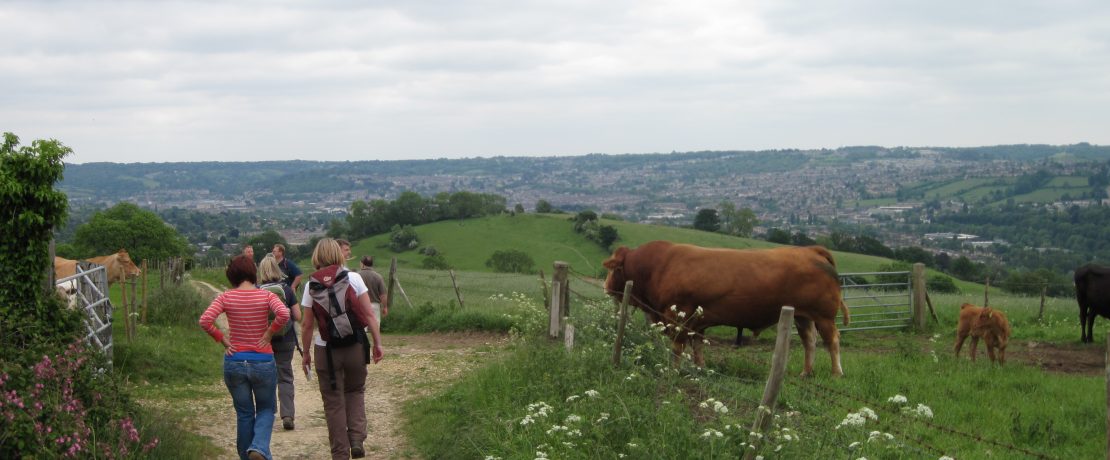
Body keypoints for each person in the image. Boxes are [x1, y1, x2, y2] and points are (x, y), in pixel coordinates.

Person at [199, 255, 290, 460]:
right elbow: (284, 314)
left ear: (232, 276)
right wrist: (268, 334)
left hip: (235, 361)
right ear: (252, 272)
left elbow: (205, 320)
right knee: (266, 409)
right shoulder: (266, 296)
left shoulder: (225, 297)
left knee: (244, 413)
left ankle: (246, 455)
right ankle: (258, 448)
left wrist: (223, 340)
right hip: (263, 361)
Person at [300, 238, 384, 459]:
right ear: (339, 254)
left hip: (326, 350)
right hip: (355, 344)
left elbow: (307, 324)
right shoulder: (354, 278)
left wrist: (305, 353)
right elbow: (367, 314)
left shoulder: (311, 285)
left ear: (317, 256)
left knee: (333, 402)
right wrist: (377, 343)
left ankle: (339, 453)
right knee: (355, 390)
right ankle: (356, 439)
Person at [258, 254, 302, 431]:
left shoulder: (256, 290)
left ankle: (267, 415)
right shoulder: (286, 289)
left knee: (266, 378)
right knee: (285, 377)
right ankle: (288, 415)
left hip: (264, 340)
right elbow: (298, 316)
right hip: (286, 338)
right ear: (278, 270)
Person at [357, 255, 389, 333]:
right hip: (375, 305)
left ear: (362, 264)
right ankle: (376, 343)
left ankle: (363, 344)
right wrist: (385, 307)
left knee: (362, 328)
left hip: (360, 305)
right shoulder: (378, 277)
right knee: (375, 327)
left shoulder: (357, 276)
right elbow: (383, 295)